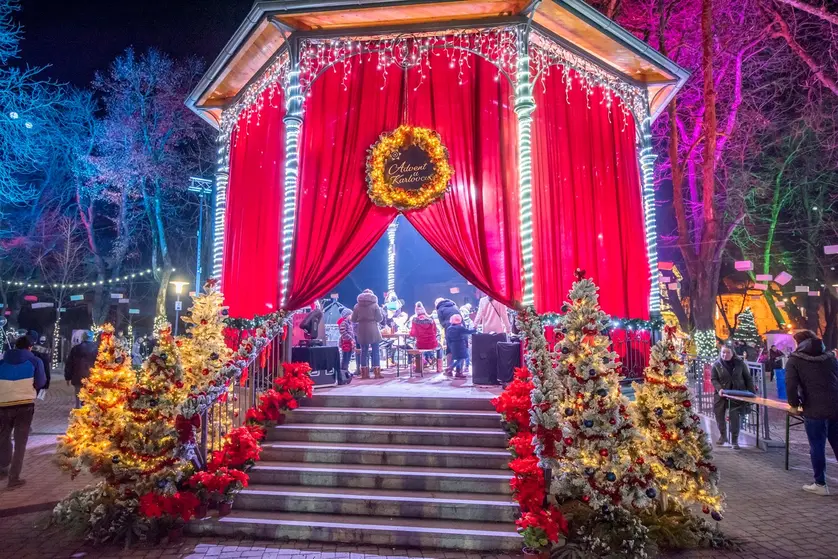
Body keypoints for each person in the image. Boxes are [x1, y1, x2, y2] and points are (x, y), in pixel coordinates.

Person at [785, 330, 838, 496]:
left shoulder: (795, 359)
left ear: (799, 343)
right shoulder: (829, 357)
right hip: (835, 406)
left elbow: (791, 384)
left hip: (814, 409)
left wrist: (794, 404)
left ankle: (820, 484)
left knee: (817, 446)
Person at [0, 334, 48, 489]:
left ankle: (3, 467)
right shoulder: (35, 361)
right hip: (24, 405)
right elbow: (41, 381)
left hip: (3, 404)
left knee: (3, 437)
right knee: (20, 442)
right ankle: (13, 478)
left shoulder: (2, 361)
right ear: (30, 347)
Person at [711, 345, 755, 449]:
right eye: (723, 352)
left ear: (732, 353)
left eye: (728, 352)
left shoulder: (740, 363)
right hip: (721, 394)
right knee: (719, 414)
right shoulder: (717, 365)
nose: (725, 355)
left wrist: (751, 393)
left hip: (736, 394)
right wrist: (719, 389)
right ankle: (723, 436)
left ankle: (735, 440)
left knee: (734, 416)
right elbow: (714, 379)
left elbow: (748, 378)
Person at [352, 290, 384, 379]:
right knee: (375, 351)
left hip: (362, 329)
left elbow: (353, 319)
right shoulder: (375, 305)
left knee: (363, 351)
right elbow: (379, 319)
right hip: (373, 329)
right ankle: (377, 373)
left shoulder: (357, 306)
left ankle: (364, 374)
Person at [65, 330, 98, 408]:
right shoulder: (97, 349)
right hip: (92, 375)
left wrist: (68, 377)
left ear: (83, 337)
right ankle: (88, 408)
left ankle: (78, 407)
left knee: (78, 391)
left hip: (78, 374)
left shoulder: (75, 349)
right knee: (90, 392)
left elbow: (69, 363)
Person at [445, 314, 476, 379]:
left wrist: (450, 345)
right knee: (463, 357)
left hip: (453, 345)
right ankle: (450, 367)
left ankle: (458, 372)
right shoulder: (460, 328)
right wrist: (474, 329)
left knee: (458, 358)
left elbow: (447, 338)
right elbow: (468, 332)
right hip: (460, 345)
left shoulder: (449, 328)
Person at [409, 302, 439, 367]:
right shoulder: (431, 320)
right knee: (440, 347)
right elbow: (435, 331)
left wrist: (409, 332)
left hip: (421, 344)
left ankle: (420, 364)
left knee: (415, 347)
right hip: (432, 344)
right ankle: (439, 365)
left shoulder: (415, 320)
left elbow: (413, 334)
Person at [337, 308, 355, 378]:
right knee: (345, 357)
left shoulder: (349, 323)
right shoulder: (343, 323)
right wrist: (350, 338)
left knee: (348, 358)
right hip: (345, 343)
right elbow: (342, 332)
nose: (351, 316)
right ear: (347, 315)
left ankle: (346, 370)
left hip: (349, 343)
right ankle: (343, 371)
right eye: (350, 315)